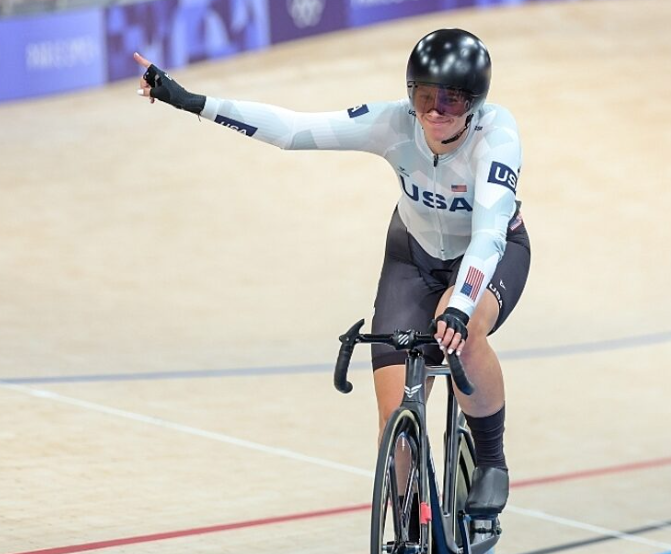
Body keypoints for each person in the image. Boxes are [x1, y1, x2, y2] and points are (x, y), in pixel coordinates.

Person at [133, 28, 529, 515]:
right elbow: (294, 130)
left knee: (460, 334)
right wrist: (192, 101)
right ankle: (411, 522)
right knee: (394, 424)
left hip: (492, 252)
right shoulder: (393, 122)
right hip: (414, 255)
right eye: (425, 95)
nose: (434, 111)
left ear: (474, 103)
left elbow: (487, 237)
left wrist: (462, 309)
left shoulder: (498, 136)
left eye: (449, 101)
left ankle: (492, 461)